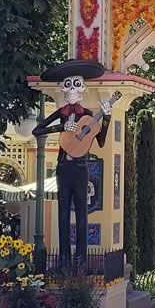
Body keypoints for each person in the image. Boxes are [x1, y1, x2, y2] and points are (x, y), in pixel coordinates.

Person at [32, 59, 115, 270]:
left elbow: (101, 140)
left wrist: (106, 117)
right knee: (62, 214)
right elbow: (38, 130)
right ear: (62, 87)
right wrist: (61, 128)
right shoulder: (61, 113)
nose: (72, 89)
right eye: (67, 84)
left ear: (83, 89)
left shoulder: (87, 116)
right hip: (62, 168)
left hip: (80, 169)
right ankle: (63, 259)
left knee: (82, 214)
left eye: (76, 84)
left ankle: (81, 259)